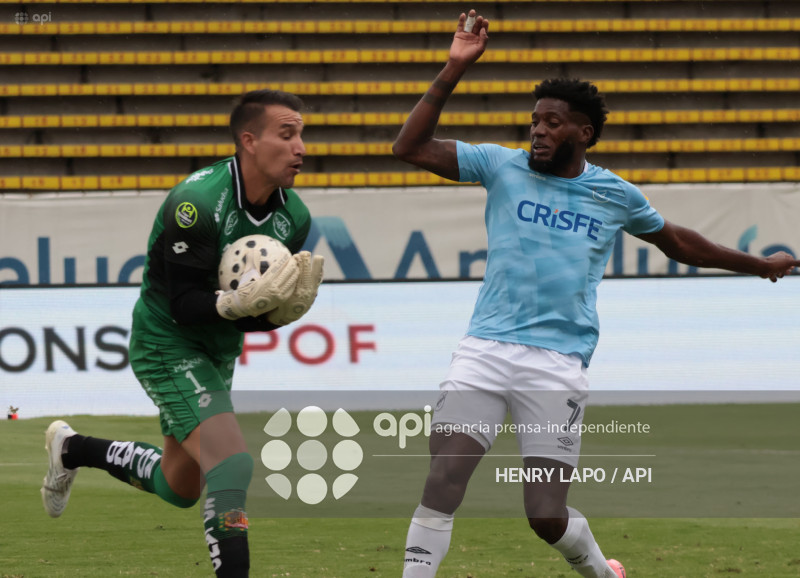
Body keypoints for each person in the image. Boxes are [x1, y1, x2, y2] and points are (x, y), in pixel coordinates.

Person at [392, 10, 799, 578]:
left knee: (544, 515)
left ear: (583, 132)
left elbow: (678, 241)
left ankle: (602, 573)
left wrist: (760, 266)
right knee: (444, 479)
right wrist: (453, 68)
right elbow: (407, 147)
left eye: (553, 122)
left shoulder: (614, 194)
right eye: (535, 120)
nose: (537, 130)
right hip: (483, 350)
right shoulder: (500, 165)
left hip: (557, 363)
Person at [40, 89, 324, 578]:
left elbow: (245, 314)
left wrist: (275, 316)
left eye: (302, 134)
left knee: (179, 487)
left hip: (217, 347)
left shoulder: (294, 218)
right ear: (249, 141)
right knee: (231, 464)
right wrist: (239, 303)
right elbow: (185, 305)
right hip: (165, 341)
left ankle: (73, 448)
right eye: (288, 134)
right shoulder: (196, 202)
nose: (302, 147)